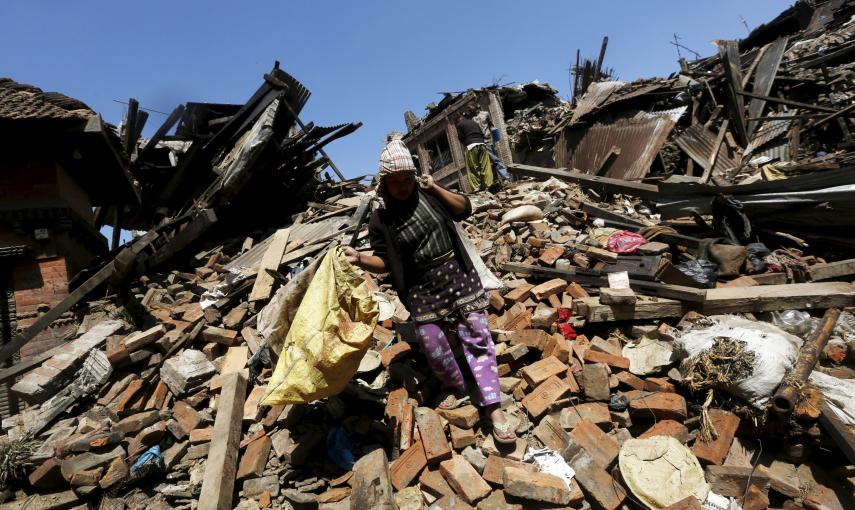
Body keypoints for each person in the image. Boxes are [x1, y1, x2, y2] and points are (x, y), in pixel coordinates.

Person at [343, 140, 516, 444]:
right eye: (394, 182)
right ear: (384, 183)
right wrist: (360, 259)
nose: (402, 187)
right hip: (421, 286)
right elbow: (384, 262)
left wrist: (435, 188)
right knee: (433, 343)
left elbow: (465, 208)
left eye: (406, 179)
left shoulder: (428, 195)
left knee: (476, 333)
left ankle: (493, 406)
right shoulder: (381, 219)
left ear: (414, 175)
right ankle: (456, 384)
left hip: (456, 272)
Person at [455, 114, 494, 192]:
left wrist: (466, 143)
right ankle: (489, 184)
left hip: (471, 146)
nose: (455, 124)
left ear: (459, 119)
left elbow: (461, 137)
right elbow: (481, 133)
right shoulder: (474, 122)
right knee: (485, 165)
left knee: (472, 168)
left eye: (455, 122)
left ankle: (476, 187)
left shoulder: (459, 125)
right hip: (482, 144)